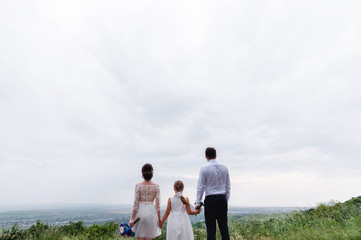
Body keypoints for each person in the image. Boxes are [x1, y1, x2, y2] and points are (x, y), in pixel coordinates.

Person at [195, 147, 231, 240]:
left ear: (206, 156)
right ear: (216, 155)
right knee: (223, 226)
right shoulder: (225, 168)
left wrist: (198, 203)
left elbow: (200, 187)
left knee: (211, 228)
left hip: (210, 199)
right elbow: (228, 186)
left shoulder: (204, 169)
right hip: (222, 198)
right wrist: (225, 199)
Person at [129, 163, 161, 240]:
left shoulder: (138, 186)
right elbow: (157, 205)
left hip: (140, 214)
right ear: (152, 172)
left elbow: (136, 204)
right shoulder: (156, 186)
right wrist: (160, 219)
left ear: (142, 173)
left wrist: (132, 219)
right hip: (152, 214)